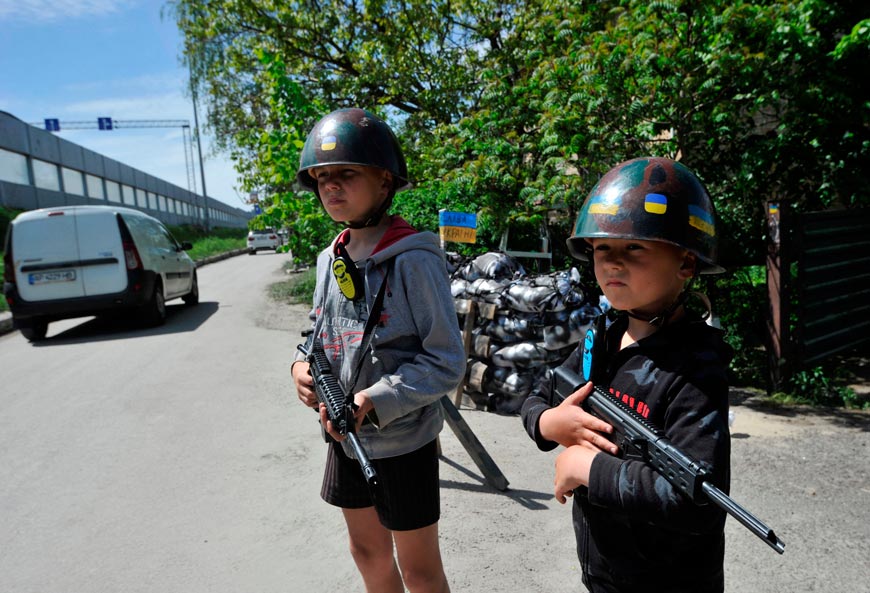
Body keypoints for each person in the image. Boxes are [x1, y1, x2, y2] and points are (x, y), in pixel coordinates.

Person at [521, 156, 733, 593]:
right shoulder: (601, 339)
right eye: (602, 249)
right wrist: (549, 423)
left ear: (687, 263)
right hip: (606, 573)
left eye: (634, 248)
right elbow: (539, 394)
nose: (613, 263)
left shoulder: (696, 369)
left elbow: (700, 503)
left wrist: (587, 466)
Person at [290, 107, 465, 593]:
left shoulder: (414, 260)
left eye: (346, 174)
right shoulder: (332, 257)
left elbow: (447, 360)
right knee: (366, 551)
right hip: (345, 436)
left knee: (419, 570)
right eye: (322, 178)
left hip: (404, 440)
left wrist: (377, 399)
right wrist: (301, 366)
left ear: (385, 180)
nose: (330, 187)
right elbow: (316, 331)